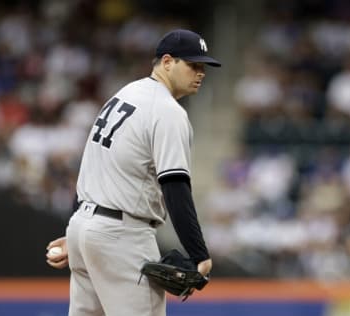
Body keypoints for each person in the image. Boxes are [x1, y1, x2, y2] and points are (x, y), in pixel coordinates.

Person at [46, 29, 221, 316]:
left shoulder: (125, 94)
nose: (200, 73)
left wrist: (80, 227)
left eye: (203, 67)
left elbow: (92, 162)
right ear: (167, 62)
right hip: (122, 236)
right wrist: (199, 252)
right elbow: (175, 185)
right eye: (193, 65)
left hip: (84, 230)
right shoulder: (168, 112)